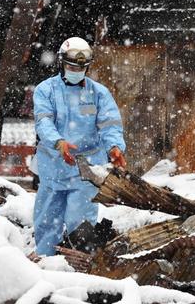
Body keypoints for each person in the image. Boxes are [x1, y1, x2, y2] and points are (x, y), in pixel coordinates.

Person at [33, 36, 127, 257]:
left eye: (81, 67)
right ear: (61, 63)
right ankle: (46, 263)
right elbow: (43, 121)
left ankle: (80, 268)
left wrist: (114, 147)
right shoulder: (45, 90)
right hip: (53, 167)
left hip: (85, 169)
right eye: (71, 66)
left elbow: (110, 124)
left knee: (80, 224)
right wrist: (58, 142)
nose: (76, 71)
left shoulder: (99, 93)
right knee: (47, 222)